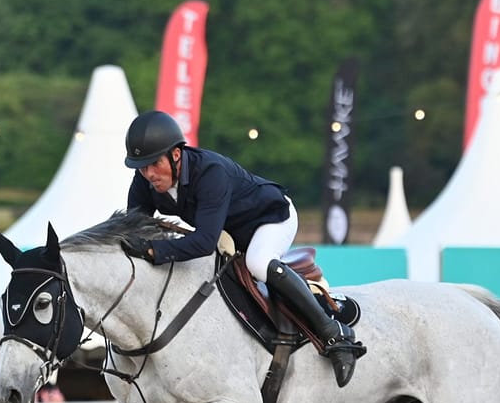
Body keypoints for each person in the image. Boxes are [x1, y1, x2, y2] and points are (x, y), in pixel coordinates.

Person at [121, 109, 364, 386]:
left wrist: (154, 251)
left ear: (176, 155)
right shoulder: (144, 180)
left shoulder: (210, 172)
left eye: (154, 164)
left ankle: (334, 334)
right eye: (141, 166)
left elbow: (203, 242)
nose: (148, 174)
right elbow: (132, 227)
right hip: (231, 232)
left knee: (258, 263)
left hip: (270, 219)